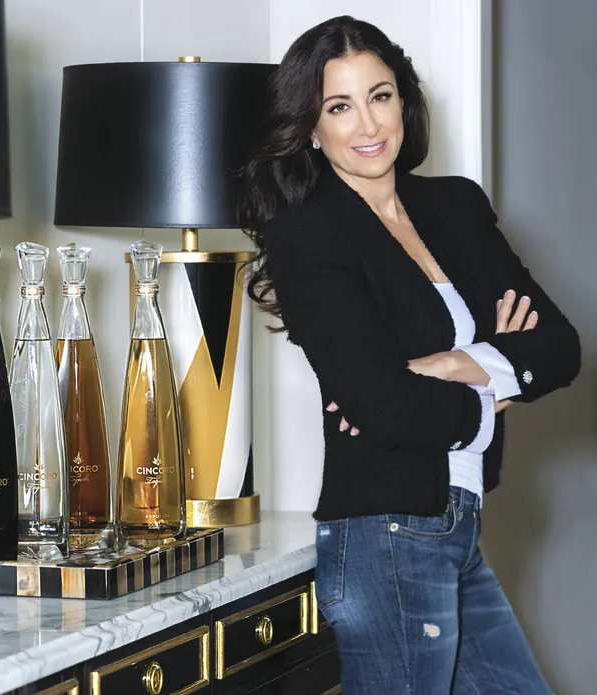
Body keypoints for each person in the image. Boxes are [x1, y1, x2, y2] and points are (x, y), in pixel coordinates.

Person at [239, 15, 580, 695]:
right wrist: (492, 382)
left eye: (380, 96)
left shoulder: (454, 204)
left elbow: (558, 347)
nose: (368, 125)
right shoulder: (309, 230)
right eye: (339, 106)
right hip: (383, 538)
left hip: (458, 525)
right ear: (312, 127)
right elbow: (384, 406)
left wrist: (451, 364)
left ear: (404, 100)